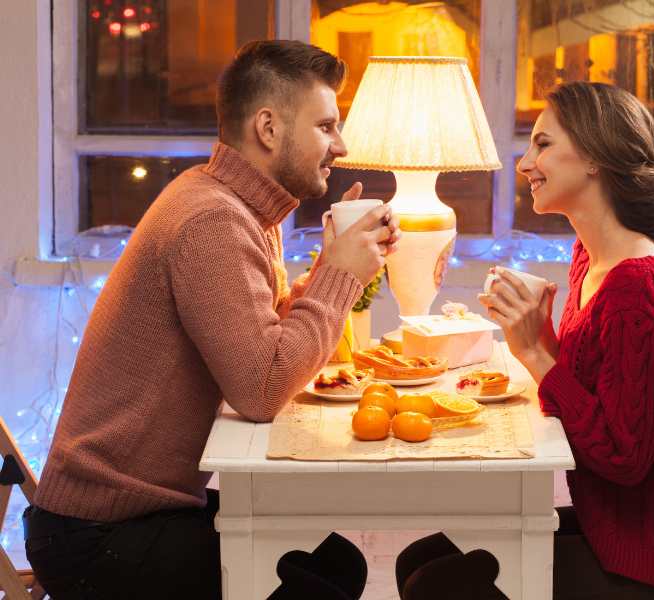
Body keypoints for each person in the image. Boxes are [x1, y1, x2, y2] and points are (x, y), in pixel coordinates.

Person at [23, 40, 399, 599]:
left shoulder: (233, 206)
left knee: (335, 560)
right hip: (101, 536)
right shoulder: (213, 221)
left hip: (135, 512)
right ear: (268, 128)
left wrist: (326, 272)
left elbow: (255, 338)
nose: (339, 146)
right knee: (320, 585)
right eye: (325, 126)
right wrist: (338, 278)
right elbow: (262, 387)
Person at [478, 82, 654, 599]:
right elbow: (602, 391)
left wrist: (534, 356)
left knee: (441, 579)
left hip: (652, 556)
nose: (525, 164)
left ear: (594, 156)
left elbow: (622, 457)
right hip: (615, 524)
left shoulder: (633, 287)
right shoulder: (593, 257)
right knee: (432, 556)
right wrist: (541, 336)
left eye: (543, 144)